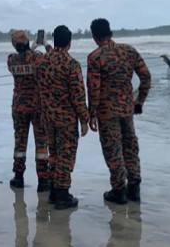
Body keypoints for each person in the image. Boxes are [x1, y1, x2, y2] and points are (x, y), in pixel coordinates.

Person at [87, 18, 151, 204]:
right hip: (127, 109)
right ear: (110, 32)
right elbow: (146, 76)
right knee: (130, 147)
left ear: (94, 36)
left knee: (112, 149)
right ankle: (134, 188)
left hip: (107, 113)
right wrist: (140, 101)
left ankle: (118, 191)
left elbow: (94, 88)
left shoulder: (95, 57)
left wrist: (91, 113)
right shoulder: (129, 51)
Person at [36, 25, 89, 210]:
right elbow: (78, 95)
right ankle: (62, 194)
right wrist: (84, 119)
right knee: (66, 156)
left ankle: (53, 191)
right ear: (69, 42)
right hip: (66, 118)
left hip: (47, 117)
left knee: (54, 154)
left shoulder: (42, 62)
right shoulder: (71, 64)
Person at [8, 31, 50, 192]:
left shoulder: (11, 60)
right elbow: (50, 59)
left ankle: (18, 177)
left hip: (19, 106)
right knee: (41, 143)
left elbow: (23, 59)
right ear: (27, 43)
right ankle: (43, 180)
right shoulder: (38, 57)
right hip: (38, 105)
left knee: (20, 143)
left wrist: (31, 49)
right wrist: (44, 44)